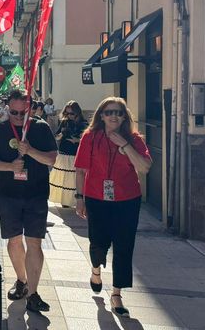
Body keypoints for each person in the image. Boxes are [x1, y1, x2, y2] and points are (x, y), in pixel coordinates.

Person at [74, 97, 152, 318]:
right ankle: (96, 271)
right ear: (101, 115)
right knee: (98, 241)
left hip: (127, 199)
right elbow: (80, 169)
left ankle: (117, 294)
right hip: (96, 197)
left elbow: (145, 167)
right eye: (109, 112)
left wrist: (125, 145)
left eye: (118, 112)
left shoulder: (134, 139)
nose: (113, 116)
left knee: (124, 246)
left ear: (124, 116)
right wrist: (79, 198)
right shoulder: (90, 137)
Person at [0, 90, 57, 314]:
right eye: (13, 112)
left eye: (22, 113)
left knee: (34, 243)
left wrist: (30, 150)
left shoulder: (41, 128)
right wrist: (9, 167)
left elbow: (51, 158)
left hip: (36, 194)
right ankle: (21, 280)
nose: (17, 117)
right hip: (8, 195)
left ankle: (33, 294)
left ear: (29, 109)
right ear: (7, 108)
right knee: (14, 241)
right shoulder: (0, 129)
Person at [49, 101, 85, 207]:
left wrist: (77, 140)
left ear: (77, 112)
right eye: (67, 113)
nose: (69, 116)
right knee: (64, 178)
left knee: (74, 178)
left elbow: (87, 139)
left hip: (76, 154)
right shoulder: (64, 122)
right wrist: (61, 134)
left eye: (71, 113)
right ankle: (65, 201)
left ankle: (75, 200)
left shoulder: (83, 123)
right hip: (64, 152)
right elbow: (56, 137)